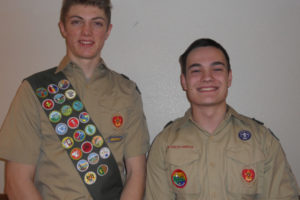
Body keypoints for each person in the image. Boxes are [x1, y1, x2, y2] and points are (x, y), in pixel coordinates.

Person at [0, 0, 149, 199]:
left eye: (97, 23)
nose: (86, 32)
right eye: (77, 22)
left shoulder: (127, 92)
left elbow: (136, 174)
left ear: (108, 30)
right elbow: (16, 181)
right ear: (63, 28)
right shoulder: (34, 90)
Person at [145, 38, 300, 199]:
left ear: (229, 77)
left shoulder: (262, 140)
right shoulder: (165, 143)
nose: (207, 77)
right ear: (184, 81)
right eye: (196, 71)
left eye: (217, 69)